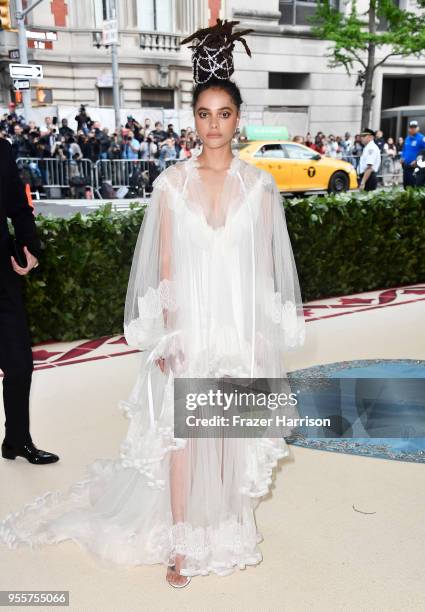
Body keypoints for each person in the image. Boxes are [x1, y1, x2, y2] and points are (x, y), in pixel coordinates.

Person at [0, 19, 305, 589]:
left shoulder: (260, 188)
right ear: (193, 119)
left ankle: (229, 530)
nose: (214, 125)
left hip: (239, 325)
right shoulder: (170, 186)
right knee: (183, 439)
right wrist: (168, 334)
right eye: (204, 114)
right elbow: (164, 267)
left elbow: (265, 268)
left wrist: (265, 334)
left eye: (225, 114)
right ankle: (183, 543)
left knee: (232, 434)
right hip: (191, 325)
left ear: (238, 119)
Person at [0, 138, 59, 465]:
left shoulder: (2, 149)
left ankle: (17, 440)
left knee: (20, 362)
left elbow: (18, 207)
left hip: (2, 275)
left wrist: (30, 248)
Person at [400, 120, 425, 188]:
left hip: (416, 167)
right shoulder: (407, 138)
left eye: (414, 127)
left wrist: (417, 161)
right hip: (406, 167)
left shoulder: (422, 138)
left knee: (415, 187)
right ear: (409, 129)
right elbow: (404, 150)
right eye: (411, 127)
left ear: (418, 128)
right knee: (406, 186)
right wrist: (402, 157)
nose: (413, 129)